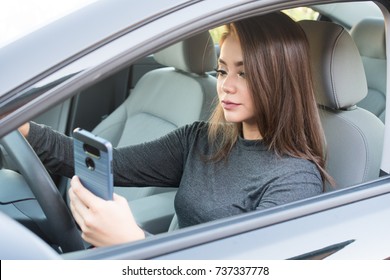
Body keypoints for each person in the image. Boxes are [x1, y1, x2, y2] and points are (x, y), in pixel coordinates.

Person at [19, 12, 332, 247]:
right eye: (222, 70)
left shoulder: (295, 181)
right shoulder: (201, 139)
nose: (226, 86)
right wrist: (22, 127)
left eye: (245, 74)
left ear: (280, 79)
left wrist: (132, 242)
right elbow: (115, 165)